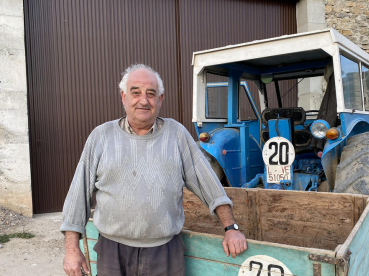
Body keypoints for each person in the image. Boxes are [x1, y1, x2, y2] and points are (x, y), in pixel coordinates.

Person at [60, 64, 247, 276]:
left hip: (165, 252)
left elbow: (209, 184)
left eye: (151, 94)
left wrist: (231, 229)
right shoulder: (100, 136)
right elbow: (78, 194)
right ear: (123, 97)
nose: (143, 100)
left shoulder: (176, 134)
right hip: (112, 251)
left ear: (160, 100)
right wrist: (71, 249)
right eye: (135, 92)